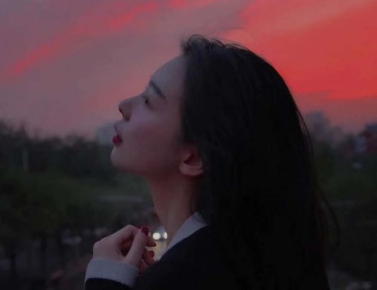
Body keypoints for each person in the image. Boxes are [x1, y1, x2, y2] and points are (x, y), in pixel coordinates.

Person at [85, 34, 332, 289]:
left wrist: (105, 281)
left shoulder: (184, 277)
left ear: (194, 158)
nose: (124, 106)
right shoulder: (260, 261)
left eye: (149, 101)